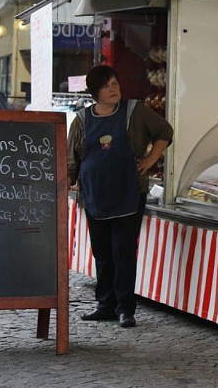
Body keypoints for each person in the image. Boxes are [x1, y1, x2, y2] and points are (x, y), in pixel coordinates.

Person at [67, 64, 173, 329]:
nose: (113, 89)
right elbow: (72, 159)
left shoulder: (134, 111)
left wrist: (149, 160)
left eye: (115, 83)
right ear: (95, 92)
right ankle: (105, 305)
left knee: (123, 251)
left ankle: (125, 308)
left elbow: (165, 132)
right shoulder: (81, 120)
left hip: (128, 192)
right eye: (106, 86)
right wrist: (68, 183)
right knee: (102, 253)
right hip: (94, 195)